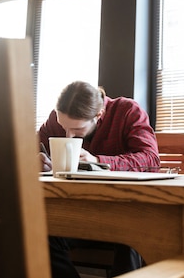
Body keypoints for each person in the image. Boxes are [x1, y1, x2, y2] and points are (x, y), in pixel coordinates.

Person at [38, 80, 160, 278]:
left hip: (123, 214)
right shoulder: (55, 119)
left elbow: (151, 159)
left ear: (98, 115)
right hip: (78, 213)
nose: (69, 136)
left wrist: (98, 161)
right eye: (64, 128)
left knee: (133, 237)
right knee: (39, 234)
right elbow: (31, 150)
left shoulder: (127, 111)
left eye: (77, 131)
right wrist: (36, 160)